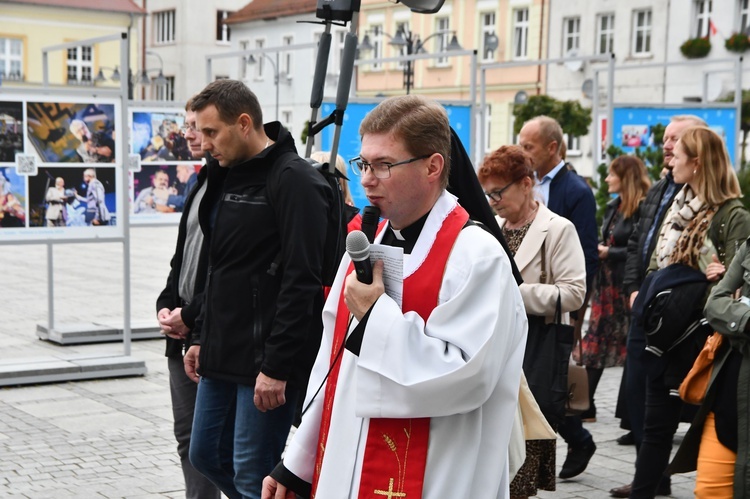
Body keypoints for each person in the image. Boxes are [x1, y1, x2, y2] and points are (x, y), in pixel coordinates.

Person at [261, 95, 527, 499]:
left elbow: (468, 376)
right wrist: (297, 463)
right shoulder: (367, 244)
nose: (367, 179)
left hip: (440, 469)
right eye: (363, 164)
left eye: (384, 165)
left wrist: (374, 317)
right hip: (346, 460)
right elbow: (332, 366)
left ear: (432, 166)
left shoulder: (476, 255)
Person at [183, 79, 332, 499]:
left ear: (244, 123)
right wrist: (200, 337)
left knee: (252, 474)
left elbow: (302, 279)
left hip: (265, 361)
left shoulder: (294, 180)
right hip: (221, 351)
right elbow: (219, 267)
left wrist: (278, 366)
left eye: (211, 131)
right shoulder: (223, 174)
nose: (203, 141)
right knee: (205, 455)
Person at [625, 126, 750, 499]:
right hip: (664, 332)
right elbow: (656, 261)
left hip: (700, 338)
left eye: (677, 155)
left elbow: (735, 285)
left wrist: (717, 277)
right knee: (654, 427)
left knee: (701, 426)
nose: (671, 161)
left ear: (696, 163)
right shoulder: (678, 204)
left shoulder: (732, 214)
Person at [478, 144, 585, 499]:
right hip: (494, 347)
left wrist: (513, 292)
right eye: (488, 193)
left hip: (536, 348)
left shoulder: (558, 228)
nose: (492, 200)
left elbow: (573, 294)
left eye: (499, 192)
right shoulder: (490, 227)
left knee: (521, 457)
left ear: (526, 184)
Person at [610, 115, 707, 498]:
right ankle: (649, 475)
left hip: (676, 311)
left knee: (663, 398)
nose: (667, 145)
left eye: (676, 139)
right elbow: (638, 242)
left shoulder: (706, 199)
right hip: (645, 302)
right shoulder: (662, 188)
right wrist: (634, 286)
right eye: (665, 138)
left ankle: (651, 478)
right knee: (637, 392)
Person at [518, 115, 598, 479]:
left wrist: (578, 312)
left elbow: (585, 258)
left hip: (555, 308)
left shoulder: (576, 192)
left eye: (528, 146)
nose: (523, 152)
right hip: (526, 312)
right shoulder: (524, 185)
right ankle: (575, 439)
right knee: (537, 389)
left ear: (552, 148)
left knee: (546, 387)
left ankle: (575, 440)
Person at [155, 99, 221, 499]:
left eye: (197, 126)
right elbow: (183, 255)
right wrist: (166, 300)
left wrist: (192, 314)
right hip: (179, 330)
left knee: (214, 445)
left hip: (210, 331)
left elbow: (231, 271)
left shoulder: (235, 186)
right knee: (187, 438)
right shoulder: (198, 182)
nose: (189, 133)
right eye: (186, 124)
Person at [671, 238, 750, 498]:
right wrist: (745, 320)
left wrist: (736, 313)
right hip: (731, 390)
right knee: (709, 490)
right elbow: (714, 303)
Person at [577, 156, 650, 422]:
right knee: (596, 340)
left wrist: (611, 252)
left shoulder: (642, 207)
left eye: (611, 174)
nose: (607, 179)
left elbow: (640, 249)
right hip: (605, 285)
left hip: (625, 287)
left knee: (629, 347)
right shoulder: (612, 206)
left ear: (626, 177)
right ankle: (586, 405)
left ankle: (623, 413)